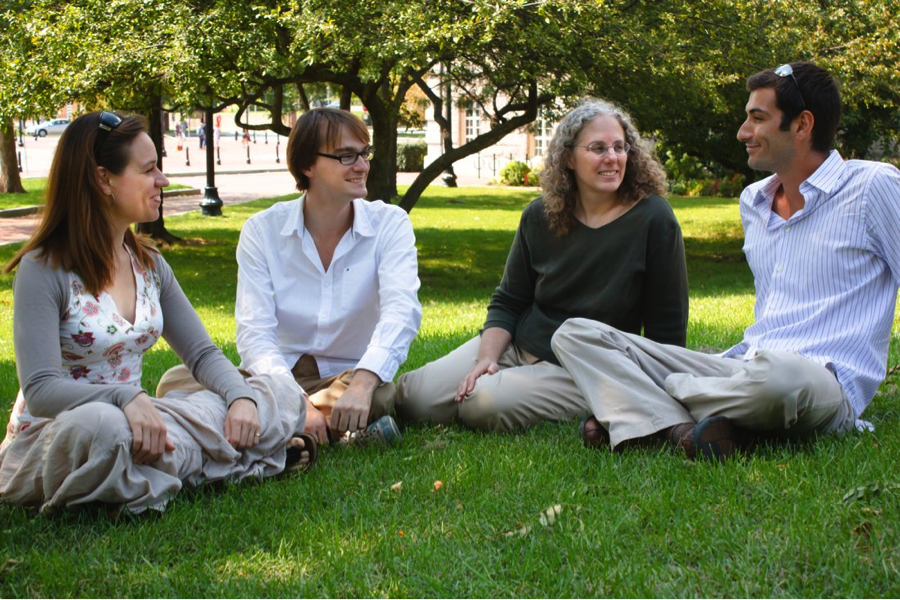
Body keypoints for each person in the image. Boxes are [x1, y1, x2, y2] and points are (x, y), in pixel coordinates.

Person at [555, 62, 900, 460]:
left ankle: (643, 407)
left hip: (818, 380)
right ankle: (684, 428)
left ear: (802, 125)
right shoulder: (753, 202)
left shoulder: (872, 187)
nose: (743, 132)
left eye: (757, 118)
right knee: (575, 334)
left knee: (780, 379)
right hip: (741, 369)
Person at [0, 111, 313, 514]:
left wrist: (240, 399)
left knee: (278, 392)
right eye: (148, 170)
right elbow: (42, 391)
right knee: (106, 430)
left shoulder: (148, 263)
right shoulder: (44, 269)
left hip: (145, 428)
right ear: (102, 179)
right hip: (64, 434)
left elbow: (201, 355)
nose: (162, 180)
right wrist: (124, 397)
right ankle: (241, 460)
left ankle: (152, 479)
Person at [395, 98, 689, 431]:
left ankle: (525, 389)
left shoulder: (653, 218)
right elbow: (509, 299)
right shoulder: (540, 214)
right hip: (520, 345)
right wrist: (487, 359)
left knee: (482, 403)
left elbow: (667, 328)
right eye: (598, 148)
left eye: (620, 147)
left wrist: (649, 390)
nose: (612, 158)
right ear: (568, 157)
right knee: (414, 399)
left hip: (584, 368)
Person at [157, 108, 422, 447]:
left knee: (379, 392)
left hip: (346, 378)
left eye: (364, 153)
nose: (362, 165)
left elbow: (402, 311)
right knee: (175, 382)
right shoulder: (263, 231)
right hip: (272, 379)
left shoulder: (390, 224)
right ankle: (322, 430)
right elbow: (255, 335)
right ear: (307, 165)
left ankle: (265, 429)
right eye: (346, 156)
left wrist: (362, 383)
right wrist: (295, 401)